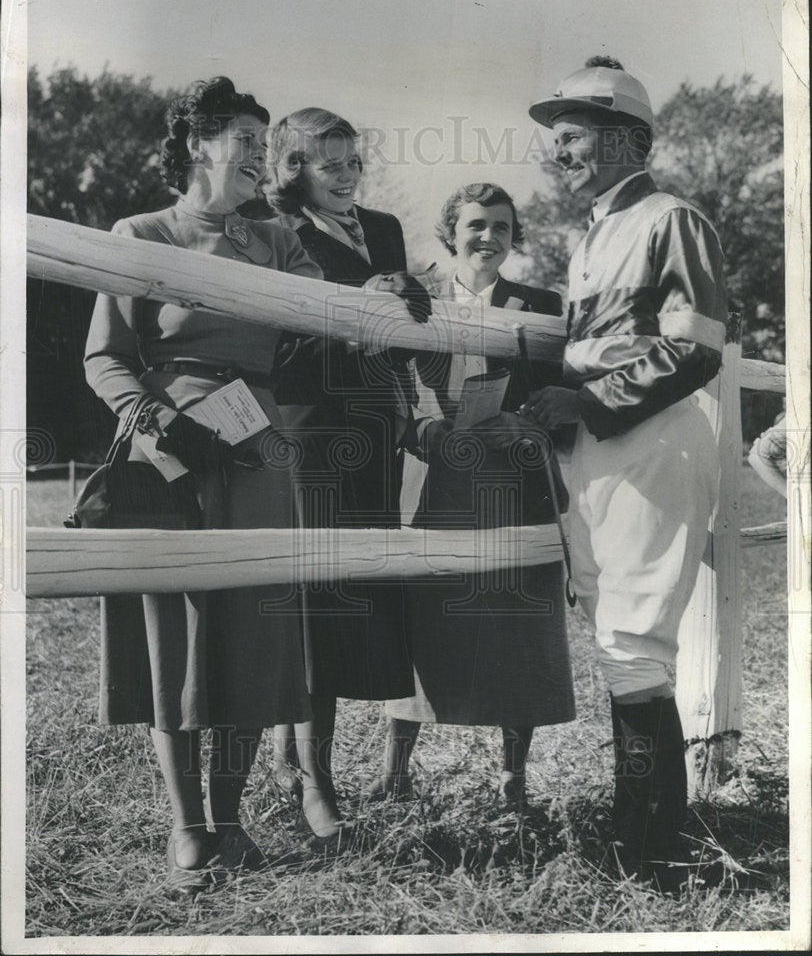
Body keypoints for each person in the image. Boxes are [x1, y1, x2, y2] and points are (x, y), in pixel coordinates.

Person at [84, 77, 324, 896]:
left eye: (268, 144)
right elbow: (105, 357)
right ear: (197, 145)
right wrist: (160, 424)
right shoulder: (140, 233)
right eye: (247, 141)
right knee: (173, 640)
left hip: (258, 443)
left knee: (256, 627)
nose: (264, 157)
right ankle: (188, 827)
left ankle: (231, 818)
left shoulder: (279, 241)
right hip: (171, 446)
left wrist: (386, 294)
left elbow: (326, 314)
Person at [523, 57, 727, 884]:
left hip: (650, 441)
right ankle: (639, 834)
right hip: (602, 446)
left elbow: (695, 347)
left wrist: (589, 404)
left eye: (571, 136)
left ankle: (650, 851)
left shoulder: (671, 217)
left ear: (624, 138)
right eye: (558, 139)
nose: (559, 152)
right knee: (617, 640)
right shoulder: (594, 231)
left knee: (634, 643)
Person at [371, 183, 576, 811]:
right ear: (450, 232)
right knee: (422, 614)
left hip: (512, 481)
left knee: (522, 621)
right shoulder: (414, 294)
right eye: (476, 225)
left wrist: (527, 422)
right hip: (431, 472)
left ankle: (514, 777)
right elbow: (384, 380)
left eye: (502, 227)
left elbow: (556, 406)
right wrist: (420, 428)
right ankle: (394, 769)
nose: (489, 237)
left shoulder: (540, 305)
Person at [263, 107, 432, 846]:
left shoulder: (386, 229)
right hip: (309, 435)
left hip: (375, 436)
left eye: (352, 160)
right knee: (313, 607)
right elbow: (275, 353)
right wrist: (359, 315)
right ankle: (315, 781)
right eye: (327, 163)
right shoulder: (273, 234)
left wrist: (407, 312)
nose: (346, 175)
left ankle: (286, 757)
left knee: (348, 596)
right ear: (293, 169)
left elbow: (404, 343)